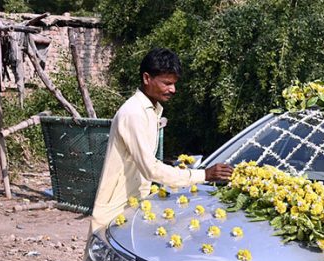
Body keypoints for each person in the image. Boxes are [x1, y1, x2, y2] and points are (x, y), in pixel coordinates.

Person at [89, 48, 233, 235]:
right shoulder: (133, 113)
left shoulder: (151, 110)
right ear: (147, 78)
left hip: (135, 204)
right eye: (167, 83)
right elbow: (151, 169)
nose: (173, 89)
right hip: (114, 209)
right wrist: (203, 175)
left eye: (174, 84)